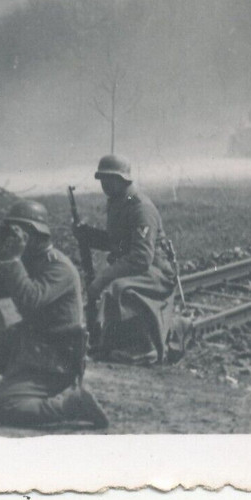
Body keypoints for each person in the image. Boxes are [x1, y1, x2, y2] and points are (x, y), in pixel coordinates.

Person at [0, 200, 109, 429]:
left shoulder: (58, 267)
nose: (13, 239)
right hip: (34, 340)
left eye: (18, 232)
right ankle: (21, 384)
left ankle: (71, 404)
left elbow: (29, 300)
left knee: (2, 408)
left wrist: (12, 260)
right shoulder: (31, 260)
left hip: (56, 355)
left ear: (34, 235)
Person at [73, 154, 192, 364]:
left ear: (123, 180)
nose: (104, 184)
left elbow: (141, 257)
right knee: (111, 285)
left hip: (158, 270)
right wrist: (88, 235)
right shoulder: (118, 202)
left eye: (110, 179)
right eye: (101, 179)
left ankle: (143, 349)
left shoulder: (140, 208)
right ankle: (112, 343)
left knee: (117, 287)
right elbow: (117, 243)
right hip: (143, 266)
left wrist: (103, 278)